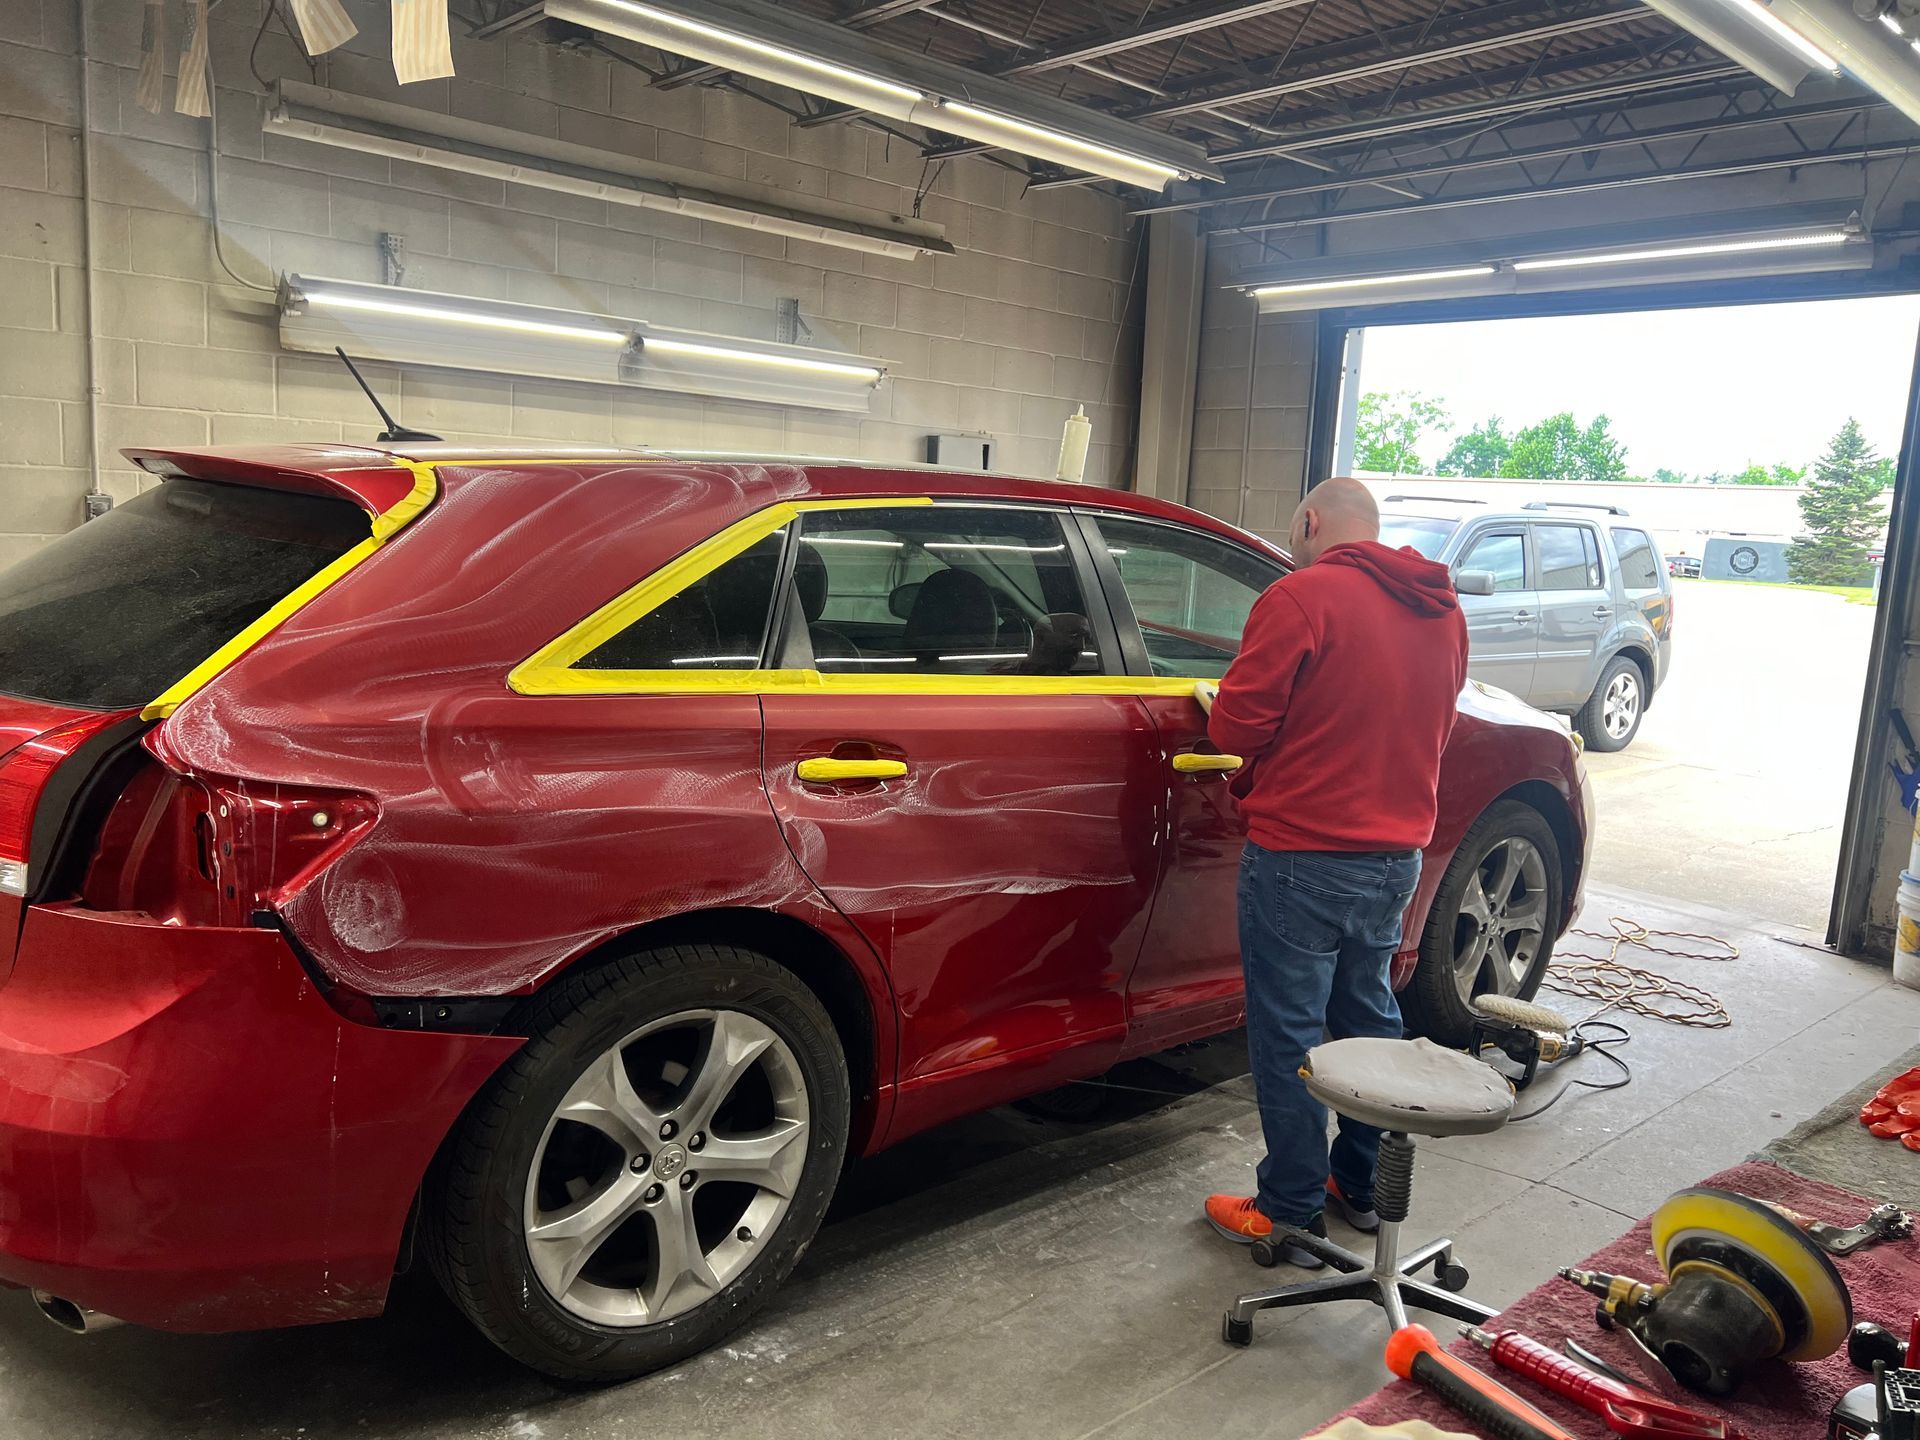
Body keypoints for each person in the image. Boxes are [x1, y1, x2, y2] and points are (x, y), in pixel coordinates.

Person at [1198, 477, 1469, 1266]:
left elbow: (1235, 725)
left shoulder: (1301, 597)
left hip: (1301, 856)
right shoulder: (1443, 608)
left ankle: (1287, 1210)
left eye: (1293, 533)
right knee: (1368, 1020)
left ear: (1311, 522)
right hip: (1394, 859)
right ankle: (1358, 1183)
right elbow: (1438, 720)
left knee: (1288, 1035)